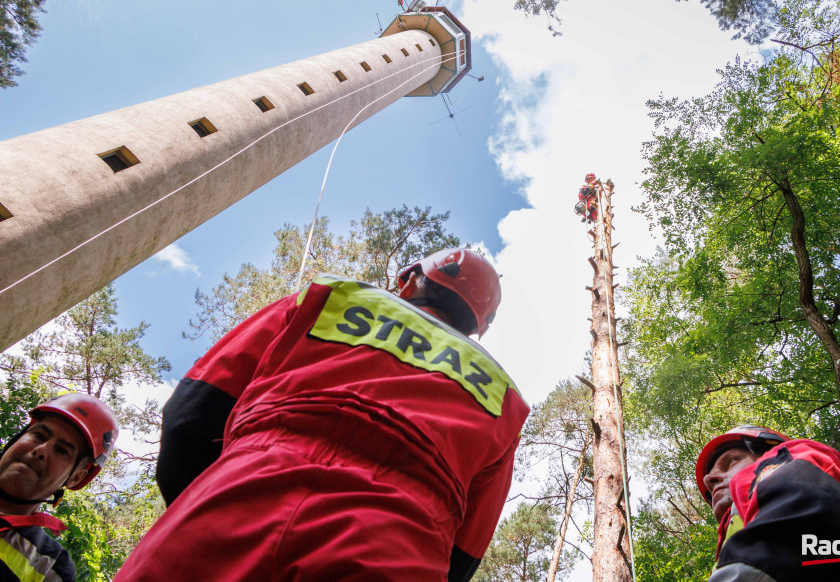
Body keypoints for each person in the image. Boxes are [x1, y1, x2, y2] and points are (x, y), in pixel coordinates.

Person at [115, 248, 529, 582]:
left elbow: (192, 412)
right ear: (480, 325)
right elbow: (463, 556)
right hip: (395, 551)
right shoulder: (503, 396)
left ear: (408, 280)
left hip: (234, 500)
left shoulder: (328, 297)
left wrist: (206, 513)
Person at [696, 425, 840, 582]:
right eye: (708, 483)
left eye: (732, 460)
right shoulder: (737, 533)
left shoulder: (789, 458)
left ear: (770, 451)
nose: (710, 479)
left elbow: (801, 538)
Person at [0, 393, 119, 582]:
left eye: (62, 450)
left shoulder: (50, 566)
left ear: (76, 478)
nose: (41, 450)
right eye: (39, 435)